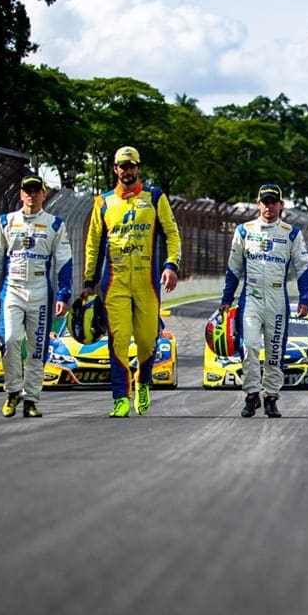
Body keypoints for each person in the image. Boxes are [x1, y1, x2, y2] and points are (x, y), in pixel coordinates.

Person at [78, 146, 182, 418]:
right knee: (119, 340)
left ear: (138, 168)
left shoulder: (155, 197)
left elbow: (172, 234)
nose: (127, 171)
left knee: (147, 341)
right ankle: (121, 398)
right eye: (122, 166)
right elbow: (93, 244)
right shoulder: (103, 202)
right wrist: (89, 281)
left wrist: (171, 265)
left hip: (147, 282)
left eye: (131, 165)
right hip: (115, 283)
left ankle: (143, 382)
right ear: (115, 169)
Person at [0, 173, 73, 418]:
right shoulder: (6, 222)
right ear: (21, 194)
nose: (31, 195)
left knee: (37, 347)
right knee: (10, 339)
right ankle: (12, 392)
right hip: (13, 289)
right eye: (27, 191)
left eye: (36, 191)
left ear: (43, 194)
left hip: (40, 291)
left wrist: (63, 295)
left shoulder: (55, 224)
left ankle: (31, 399)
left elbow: (64, 261)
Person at [219, 183, 308, 419]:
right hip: (250, 298)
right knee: (249, 347)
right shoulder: (244, 231)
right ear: (258, 204)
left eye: (273, 202)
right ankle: (252, 394)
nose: (269, 206)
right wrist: (226, 298)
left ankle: (271, 397)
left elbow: (303, 266)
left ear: (281, 205)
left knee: (274, 351)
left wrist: (305, 297)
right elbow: (233, 268)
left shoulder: (291, 233)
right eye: (265, 202)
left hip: (277, 299)